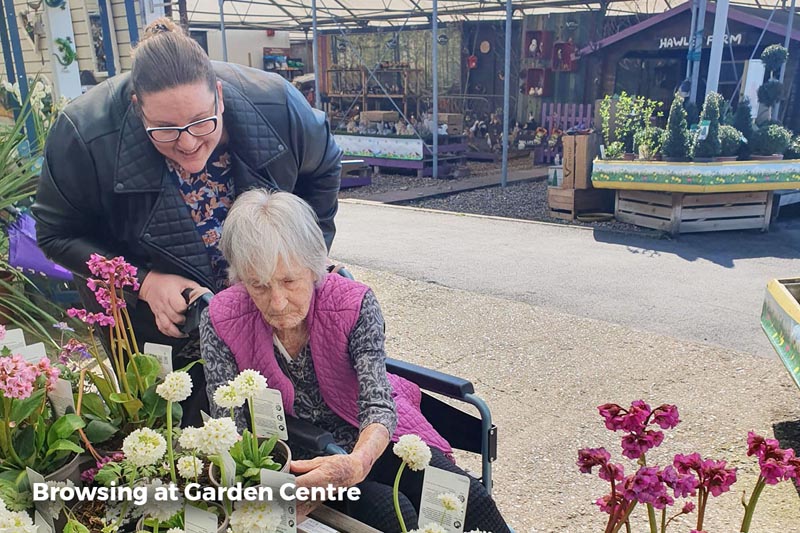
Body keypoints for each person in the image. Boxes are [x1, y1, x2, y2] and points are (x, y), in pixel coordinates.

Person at [31, 18, 342, 425]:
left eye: (201, 122)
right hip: (157, 319)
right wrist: (142, 282)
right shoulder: (84, 135)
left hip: (262, 301)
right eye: (164, 130)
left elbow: (323, 167)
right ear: (136, 107)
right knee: (185, 431)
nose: (189, 143)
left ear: (219, 95)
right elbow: (56, 234)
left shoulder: (277, 105)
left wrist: (302, 261)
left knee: (284, 417)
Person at [200, 189, 510, 533]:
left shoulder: (353, 303)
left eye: (289, 281)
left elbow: (378, 403)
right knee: (394, 515)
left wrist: (358, 463)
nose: (277, 302)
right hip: (297, 456)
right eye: (258, 285)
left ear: (314, 267)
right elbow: (231, 428)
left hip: (372, 436)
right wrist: (265, 489)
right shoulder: (221, 320)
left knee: (468, 499)